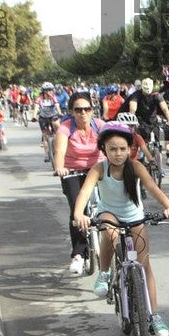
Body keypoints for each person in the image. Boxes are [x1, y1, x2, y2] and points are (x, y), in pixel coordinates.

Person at [72, 122, 169, 336]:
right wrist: (78, 214)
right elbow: (84, 192)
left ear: (130, 149)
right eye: (112, 149)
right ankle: (104, 273)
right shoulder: (99, 169)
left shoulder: (136, 166)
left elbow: (152, 187)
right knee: (109, 231)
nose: (118, 153)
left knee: (145, 264)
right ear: (104, 150)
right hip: (109, 214)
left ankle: (154, 315)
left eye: (122, 149)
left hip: (134, 218)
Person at [53, 92, 106, 274]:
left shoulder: (100, 126)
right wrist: (60, 167)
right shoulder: (66, 128)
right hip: (72, 172)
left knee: (109, 205)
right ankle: (79, 254)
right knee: (77, 209)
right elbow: (60, 151)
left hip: (97, 169)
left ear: (92, 110)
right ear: (72, 112)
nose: (83, 113)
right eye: (78, 110)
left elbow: (112, 144)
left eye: (87, 109)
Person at [127, 77, 169, 143]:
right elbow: (132, 109)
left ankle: (158, 151)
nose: (147, 93)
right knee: (143, 138)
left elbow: (164, 108)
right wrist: (132, 122)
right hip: (141, 121)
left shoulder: (156, 95)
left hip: (153, 121)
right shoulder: (136, 95)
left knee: (157, 141)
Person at [36, 82, 62, 160]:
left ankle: (59, 142)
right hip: (43, 117)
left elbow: (57, 105)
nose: (49, 92)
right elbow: (36, 107)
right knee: (45, 135)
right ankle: (47, 153)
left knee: (57, 126)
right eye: (47, 90)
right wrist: (34, 116)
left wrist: (60, 113)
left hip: (53, 115)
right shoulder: (40, 98)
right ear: (43, 91)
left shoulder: (53, 97)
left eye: (50, 90)